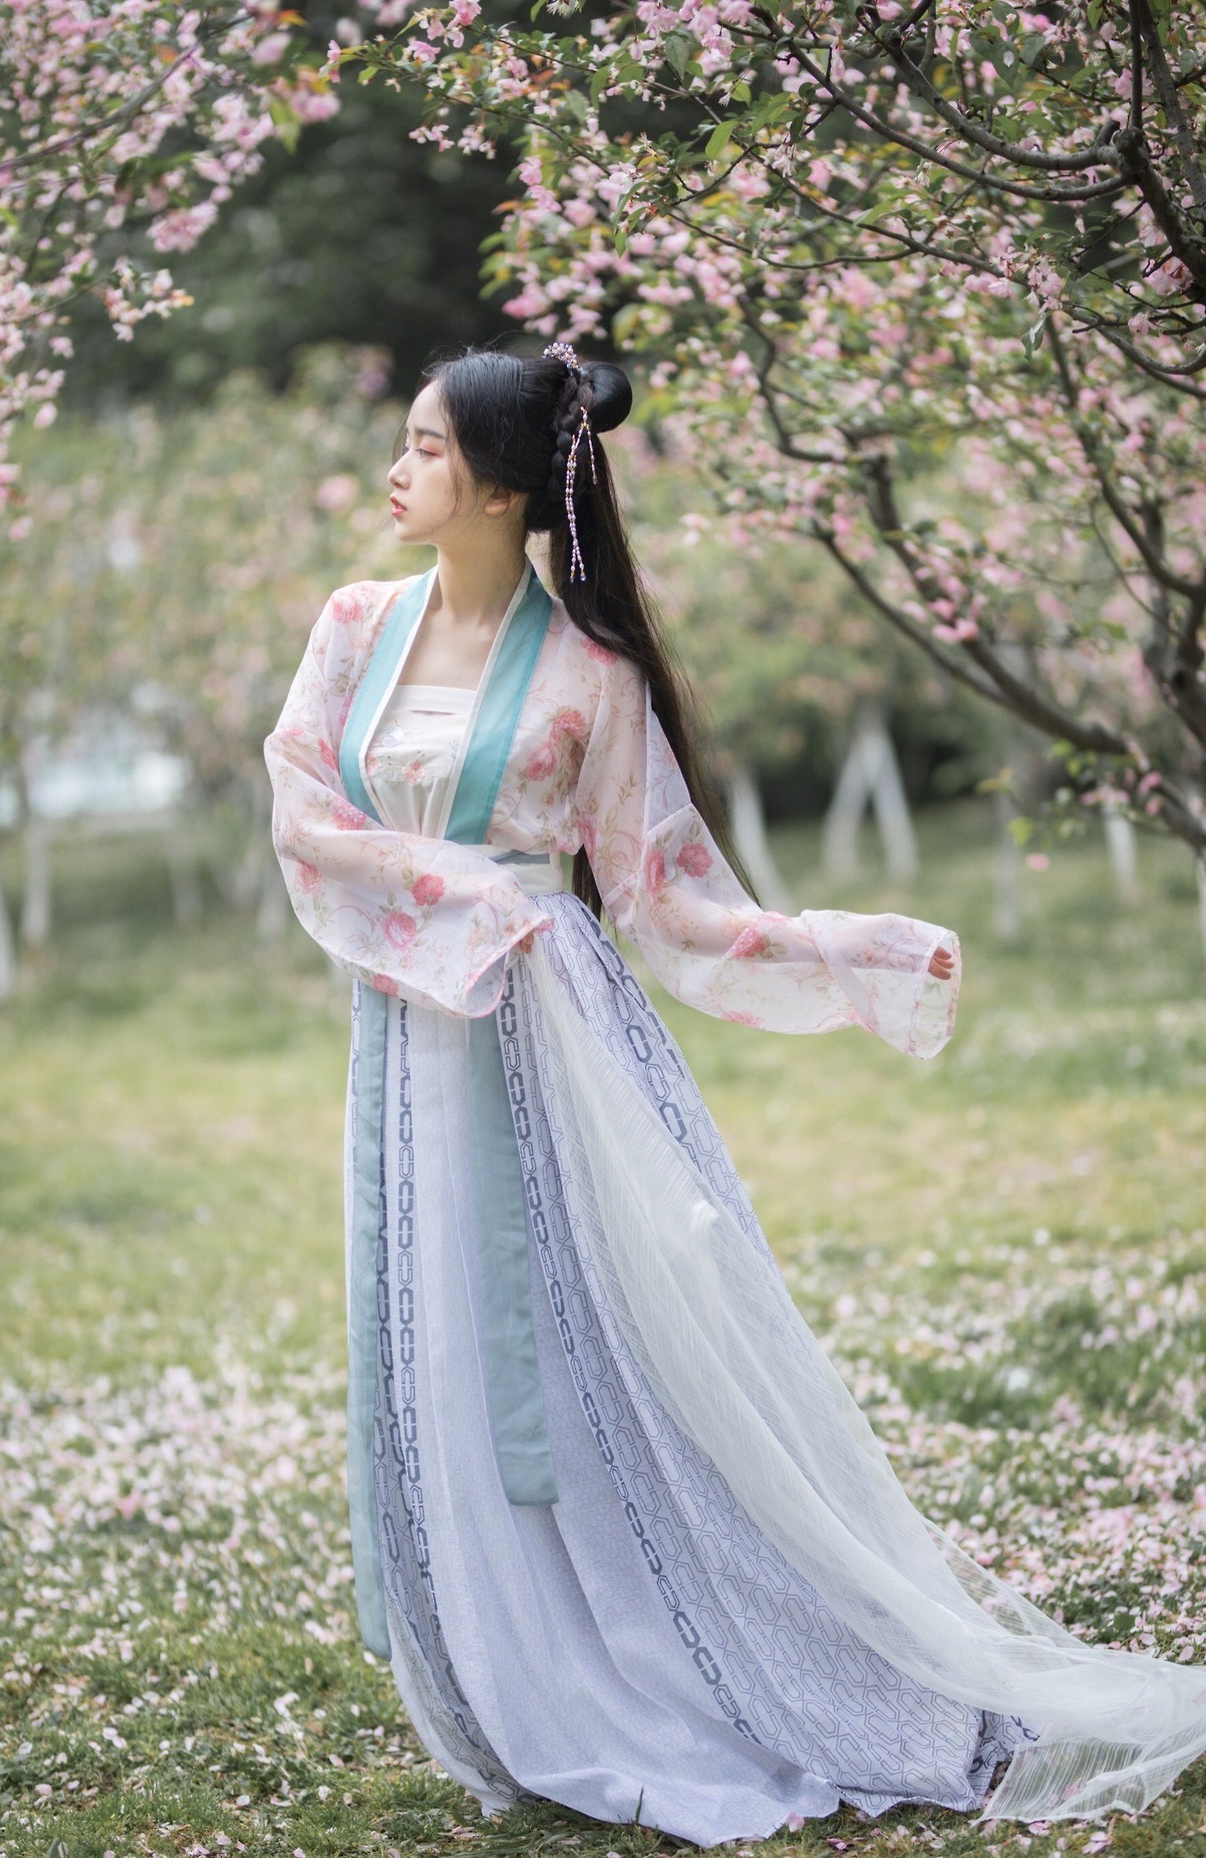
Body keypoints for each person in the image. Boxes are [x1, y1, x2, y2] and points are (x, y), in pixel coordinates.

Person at [263, 344, 1205, 1848]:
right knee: (436, 1322)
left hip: (545, 1036)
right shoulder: (354, 626)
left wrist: (850, 950)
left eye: (427, 449)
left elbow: (667, 900)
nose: (397, 469)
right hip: (411, 1031)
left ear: (502, 489)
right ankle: (508, 1656)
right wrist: (449, 883)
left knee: (587, 1350)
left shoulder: (588, 672)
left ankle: (644, 1646)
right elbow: (305, 803)